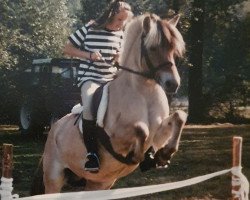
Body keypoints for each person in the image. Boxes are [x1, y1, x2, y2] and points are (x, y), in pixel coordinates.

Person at [63, 0, 133, 173]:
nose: (121, 24)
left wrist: (120, 57)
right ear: (110, 16)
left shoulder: (121, 34)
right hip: (90, 78)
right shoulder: (90, 28)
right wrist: (88, 55)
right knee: (89, 106)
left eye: (124, 21)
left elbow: (122, 58)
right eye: (119, 20)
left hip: (112, 79)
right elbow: (67, 48)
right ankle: (92, 155)